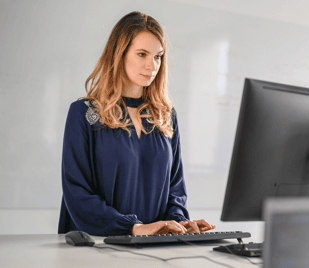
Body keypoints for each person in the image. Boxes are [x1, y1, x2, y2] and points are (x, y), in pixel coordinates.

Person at [58, 11, 216, 236]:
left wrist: (179, 223)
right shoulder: (84, 114)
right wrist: (134, 228)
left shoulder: (166, 117)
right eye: (142, 54)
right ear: (119, 54)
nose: (152, 66)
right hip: (98, 247)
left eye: (158, 56)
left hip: (153, 251)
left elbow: (176, 189)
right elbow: (77, 193)